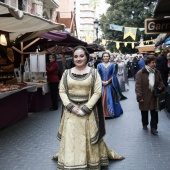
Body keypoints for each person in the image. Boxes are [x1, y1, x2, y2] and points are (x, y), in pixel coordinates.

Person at [54, 46, 124, 169]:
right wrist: (71, 107)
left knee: (89, 138)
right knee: (71, 138)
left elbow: (97, 92)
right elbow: (62, 91)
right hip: (70, 113)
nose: (78, 59)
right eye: (75, 56)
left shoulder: (94, 72)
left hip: (88, 112)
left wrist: (86, 108)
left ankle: (90, 160)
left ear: (87, 57)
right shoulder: (66, 73)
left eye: (81, 56)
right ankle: (72, 162)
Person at [135, 55, 165, 135]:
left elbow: (161, 81)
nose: (154, 64)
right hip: (144, 96)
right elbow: (138, 86)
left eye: (155, 62)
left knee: (154, 113)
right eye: (152, 62)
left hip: (154, 95)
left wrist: (160, 86)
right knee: (144, 112)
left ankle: (154, 128)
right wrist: (139, 96)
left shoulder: (157, 72)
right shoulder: (140, 73)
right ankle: (145, 123)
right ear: (148, 63)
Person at [97, 52, 123, 118]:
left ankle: (110, 113)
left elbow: (113, 75)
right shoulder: (99, 65)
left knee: (110, 98)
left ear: (109, 57)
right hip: (101, 85)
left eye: (107, 56)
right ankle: (102, 114)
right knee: (101, 98)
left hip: (110, 85)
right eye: (104, 56)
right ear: (102, 57)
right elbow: (98, 75)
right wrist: (102, 81)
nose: (105, 57)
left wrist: (108, 82)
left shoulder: (112, 65)